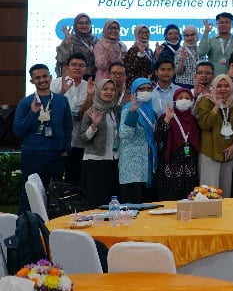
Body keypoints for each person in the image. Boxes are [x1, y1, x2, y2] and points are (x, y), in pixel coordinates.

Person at [15, 64, 72, 212]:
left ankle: (50, 225)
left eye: (45, 76)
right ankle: (26, 224)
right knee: (30, 193)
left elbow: (68, 127)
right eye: (37, 78)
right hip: (33, 155)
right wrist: (32, 113)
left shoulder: (61, 101)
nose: (42, 80)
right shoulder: (26, 102)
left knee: (54, 194)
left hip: (56, 156)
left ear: (50, 77)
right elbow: (18, 130)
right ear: (32, 81)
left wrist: (66, 149)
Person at [195, 73, 233, 196]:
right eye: (219, 86)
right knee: (209, 192)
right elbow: (204, 124)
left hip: (228, 153)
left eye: (226, 85)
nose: (223, 89)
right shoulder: (206, 101)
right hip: (210, 152)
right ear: (213, 87)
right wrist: (216, 106)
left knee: (226, 192)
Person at [78, 78, 121, 207]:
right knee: (96, 200)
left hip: (114, 160)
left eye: (112, 89)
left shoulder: (115, 111)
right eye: (105, 89)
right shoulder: (91, 112)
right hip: (95, 160)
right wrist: (94, 126)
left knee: (111, 199)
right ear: (98, 91)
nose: (109, 92)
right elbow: (83, 138)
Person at [154, 87, 201, 200]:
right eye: (180, 98)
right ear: (174, 100)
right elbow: (158, 137)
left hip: (189, 164)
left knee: (189, 197)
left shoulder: (193, 119)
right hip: (171, 163)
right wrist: (167, 120)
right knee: (171, 196)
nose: (184, 100)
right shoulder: (166, 116)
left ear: (191, 101)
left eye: (187, 98)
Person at [53, 53, 92, 185]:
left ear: (86, 69)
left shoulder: (89, 86)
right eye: (74, 65)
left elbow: (86, 114)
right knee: (55, 178)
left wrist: (90, 97)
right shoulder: (56, 83)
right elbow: (48, 108)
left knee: (75, 178)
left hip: (79, 141)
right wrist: (62, 92)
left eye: (81, 65)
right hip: (59, 139)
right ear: (66, 67)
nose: (77, 68)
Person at [119, 78, 158, 203]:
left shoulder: (152, 110)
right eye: (142, 89)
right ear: (134, 91)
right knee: (133, 204)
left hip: (148, 163)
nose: (146, 91)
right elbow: (124, 134)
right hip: (132, 165)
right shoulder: (128, 108)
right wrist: (132, 113)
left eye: (149, 89)